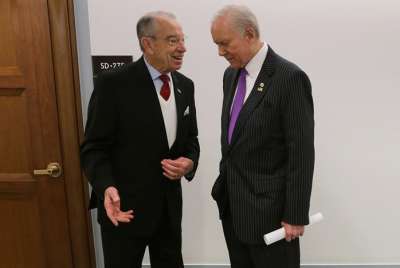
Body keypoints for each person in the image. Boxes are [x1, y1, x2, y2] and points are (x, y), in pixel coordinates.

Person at [80, 11, 200, 268]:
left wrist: (189, 162)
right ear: (147, 44)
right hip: (124, 211)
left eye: (182, 39)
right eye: (172, 41)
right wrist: (106, 187)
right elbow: (93, 148)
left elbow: (191, 140)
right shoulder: (113, 85)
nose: (183, 48)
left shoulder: (185, 86)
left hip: (168, 213)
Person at [210, 5, 314, 268]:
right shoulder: (230, 75)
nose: (220, 52)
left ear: (249, 33)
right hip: (233, 210)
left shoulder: (289, 78)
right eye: (217, 45)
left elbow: (300, 152)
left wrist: (295, 214)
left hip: (272, 217)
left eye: (224, 44)